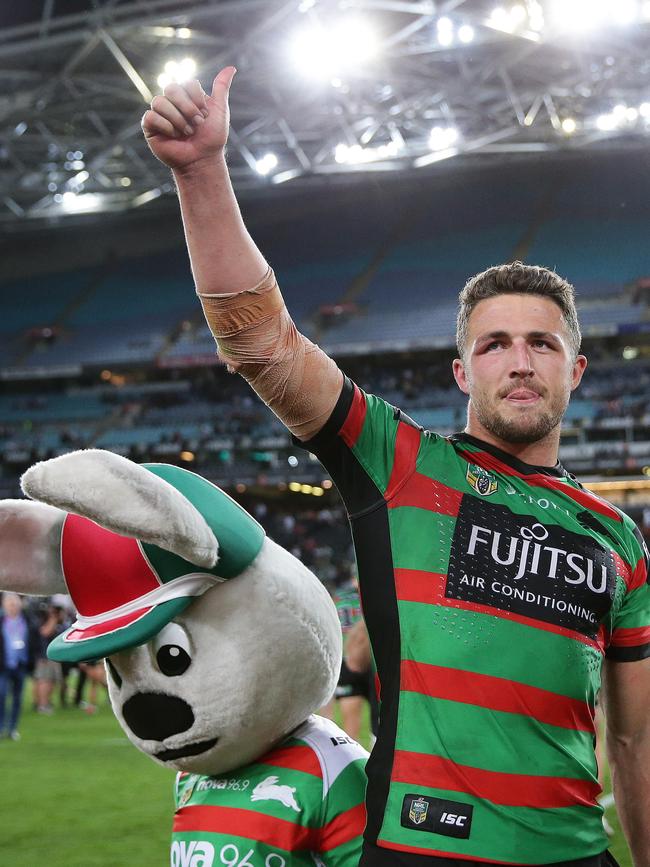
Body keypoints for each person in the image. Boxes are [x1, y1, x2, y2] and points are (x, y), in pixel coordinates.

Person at [142, 71, 650, 867]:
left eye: (541, 344)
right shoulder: (400, 463)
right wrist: (200, 173)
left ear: (577, 370)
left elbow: (633, 737)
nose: (520, 362)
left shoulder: (622, 539)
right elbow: (260, 343)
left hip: (578, 853)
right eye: (494, 344)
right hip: (419, 849)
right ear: (461, 372)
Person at [321, 578, 370, 741]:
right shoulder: (371, 596)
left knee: (351, 728)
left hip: (345, 660)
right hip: (368, 659)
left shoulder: (337, 598)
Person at [0, 592, 39, 740]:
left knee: (17, 698)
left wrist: (38, 657)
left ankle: (12, 728)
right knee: (1, 695)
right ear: (4, 605)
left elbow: (36, 640)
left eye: (15, 604)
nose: (13, 606)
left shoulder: (28, 621)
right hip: (3, 665)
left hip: (21, 665)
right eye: (10, 604)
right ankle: (1, 726)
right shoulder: (1, 621)